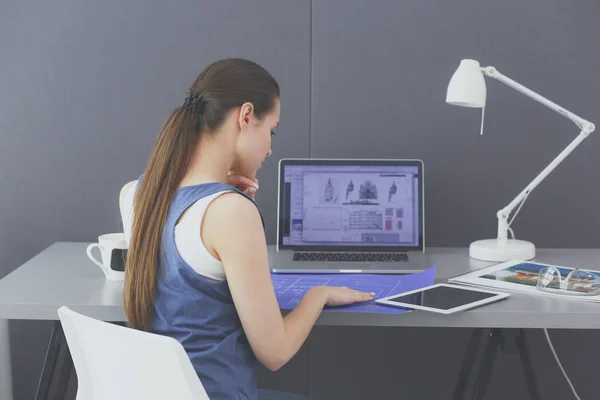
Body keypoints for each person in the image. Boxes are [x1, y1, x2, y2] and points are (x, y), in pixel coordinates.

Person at [121, 58, 374, 400]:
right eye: (271, 130)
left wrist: (220, 186)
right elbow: (275, 352)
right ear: (245, 116)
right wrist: (319, 294)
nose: (270, 148)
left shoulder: (138, 193)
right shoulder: (231, 213)